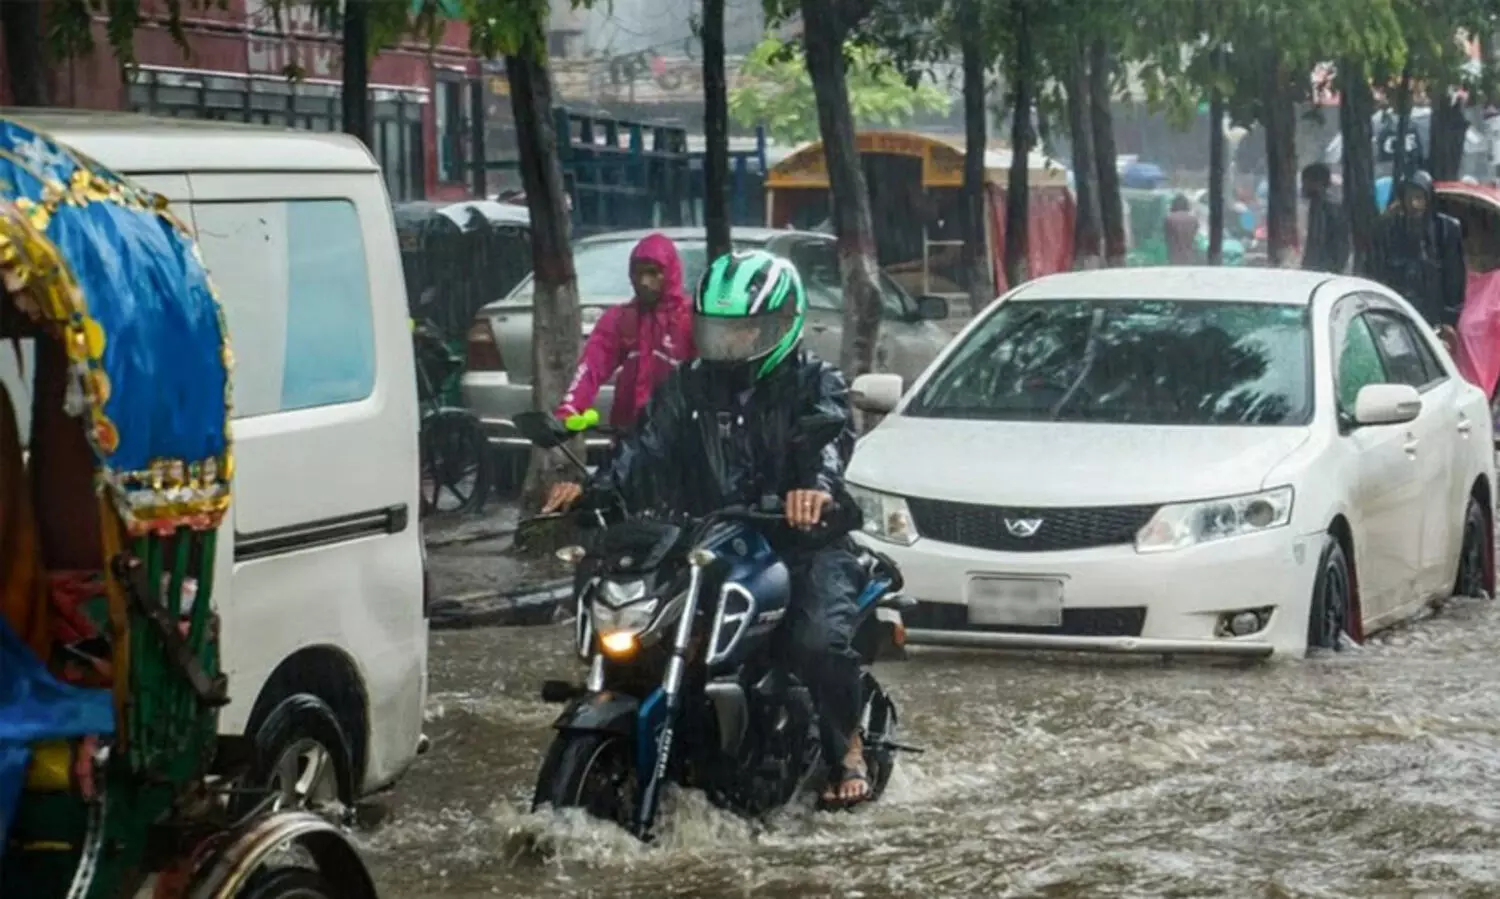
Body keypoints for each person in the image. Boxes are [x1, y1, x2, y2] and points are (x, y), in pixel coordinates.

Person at [541, 249, 877, 809]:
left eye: (746, 331)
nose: (731, 343)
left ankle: (848, 747)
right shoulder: (686, 387)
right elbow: (642, 449)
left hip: (800, 541)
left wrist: (812, 492)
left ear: (782, 325)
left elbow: (829, 440)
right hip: (703, 540)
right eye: (719, 331)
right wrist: (594, 490)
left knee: (814, 640)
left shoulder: (815, 383)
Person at [555, 233, 695, 431]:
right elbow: (591, 366)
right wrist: (570, 407)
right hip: (629, 431)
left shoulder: (689, 320)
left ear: (671, 272)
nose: (644, 282)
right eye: (638, 273)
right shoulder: (621, 319)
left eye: (653, 272)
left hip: (681, 432)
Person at [1367, 170, 1467, 346]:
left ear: (1428, 199)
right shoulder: (1389, 230)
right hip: (1396, 315)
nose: (1414, 204)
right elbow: (1376, 271)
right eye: (1409, 197)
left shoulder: (1445, 229)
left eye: (1419, 197)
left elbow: (1455, 277)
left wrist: (1449, 319)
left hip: (1433, 317)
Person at [1300, 162, 1349, 273]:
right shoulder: (1316, 207)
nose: (1303, 187)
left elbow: (1337, 245)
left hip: (1323, 271)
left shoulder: (1328, 210)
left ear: (1318, 183)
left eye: (1305, 182)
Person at [1164, 194, 1200, 265]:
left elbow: (1167, 237)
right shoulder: (1193, 219)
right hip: (1190, 256)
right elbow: (1194, 236)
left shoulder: (1169, 219)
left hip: (1174, 256)